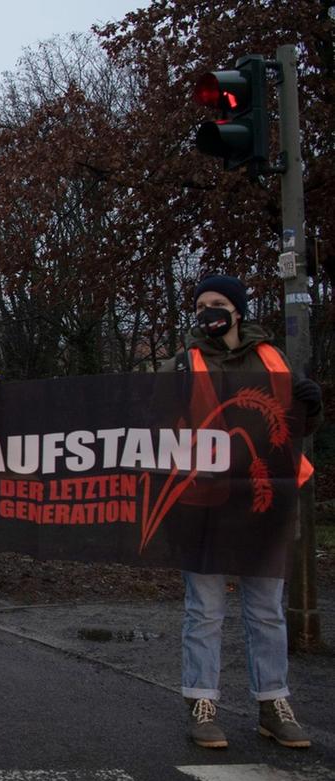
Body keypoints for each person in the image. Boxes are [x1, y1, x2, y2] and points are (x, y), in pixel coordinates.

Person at [160, 274, 318, 750]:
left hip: (265, 500)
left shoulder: (271, 358)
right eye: (201, 304)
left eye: (217, 303)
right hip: (203, 503)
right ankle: (203, 704)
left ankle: (273, 703)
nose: (207, 311)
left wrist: (312, 405)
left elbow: (295, 426)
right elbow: (153, 422)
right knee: (205, 609)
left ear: (238, 310)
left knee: (266, 610)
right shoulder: (182, 365)